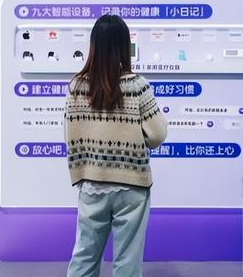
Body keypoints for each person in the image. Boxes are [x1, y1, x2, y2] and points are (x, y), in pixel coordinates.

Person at [65, 14, 167, 277]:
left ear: (94, 45)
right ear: (123, 45)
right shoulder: (137, 85)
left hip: (92, 183)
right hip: (131, 184)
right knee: (127, 263)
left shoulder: (77, 86)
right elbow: (157, 135)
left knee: (84, 257)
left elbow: (70, 135)